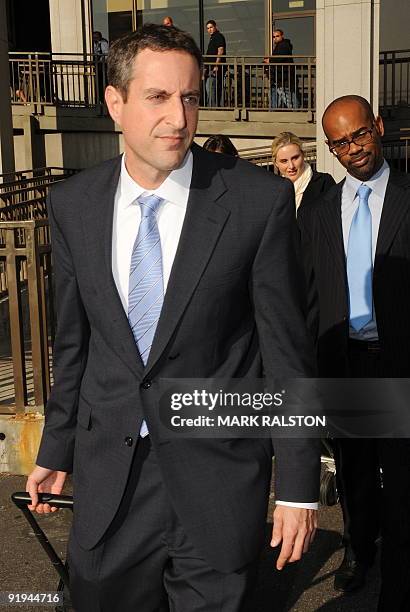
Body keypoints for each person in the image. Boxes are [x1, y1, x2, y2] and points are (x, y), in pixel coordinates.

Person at [26, 24, 320, 612]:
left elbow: (288, 357)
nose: (180, 118)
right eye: (158, 97)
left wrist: (298, 488)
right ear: (115, 102)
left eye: (189, 96)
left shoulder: (256, 204)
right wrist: (56, 449)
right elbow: (75, 345)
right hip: (112, 480)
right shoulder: (73, 205)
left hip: (217, 480)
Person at [298, 94, 410, 611]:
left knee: (403, 477)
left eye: (359, 134)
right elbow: (309, 294)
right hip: (345, 365)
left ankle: (398, 574)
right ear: (330, 149)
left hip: (400, 364)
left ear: (378, 127)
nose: (353, 148)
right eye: (340, 142)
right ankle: (359, 552)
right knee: (355, 472)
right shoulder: (319, 210)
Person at [271, 132, 335, 213]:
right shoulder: (274, 191)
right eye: (284, 161)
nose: (291, 166)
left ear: (303, 155)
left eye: (295, 158)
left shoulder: (323, 182)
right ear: (276, 163)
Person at [264, 29, 298, 110]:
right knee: (276, 96)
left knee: (287, 97)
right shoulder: (281, 46)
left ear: (282, 36)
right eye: (273, 36)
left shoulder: (283, 45)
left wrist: (270, 61)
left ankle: (296, 112)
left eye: (277, 36)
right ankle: (273, 113)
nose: (275, 38)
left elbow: (280, 57)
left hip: (282, 78)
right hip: (278, 78)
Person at [204, 20, 226, 107]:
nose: (209, 30)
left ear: (215, 27)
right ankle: (212, 107)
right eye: (208, 28)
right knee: (210, 88)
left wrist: (216, 65)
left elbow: (220, 50)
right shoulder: (212, 38)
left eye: (211, 27)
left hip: (215, 69)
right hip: (210, 68)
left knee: (211, 88)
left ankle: (213, 108)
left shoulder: (218, 36)